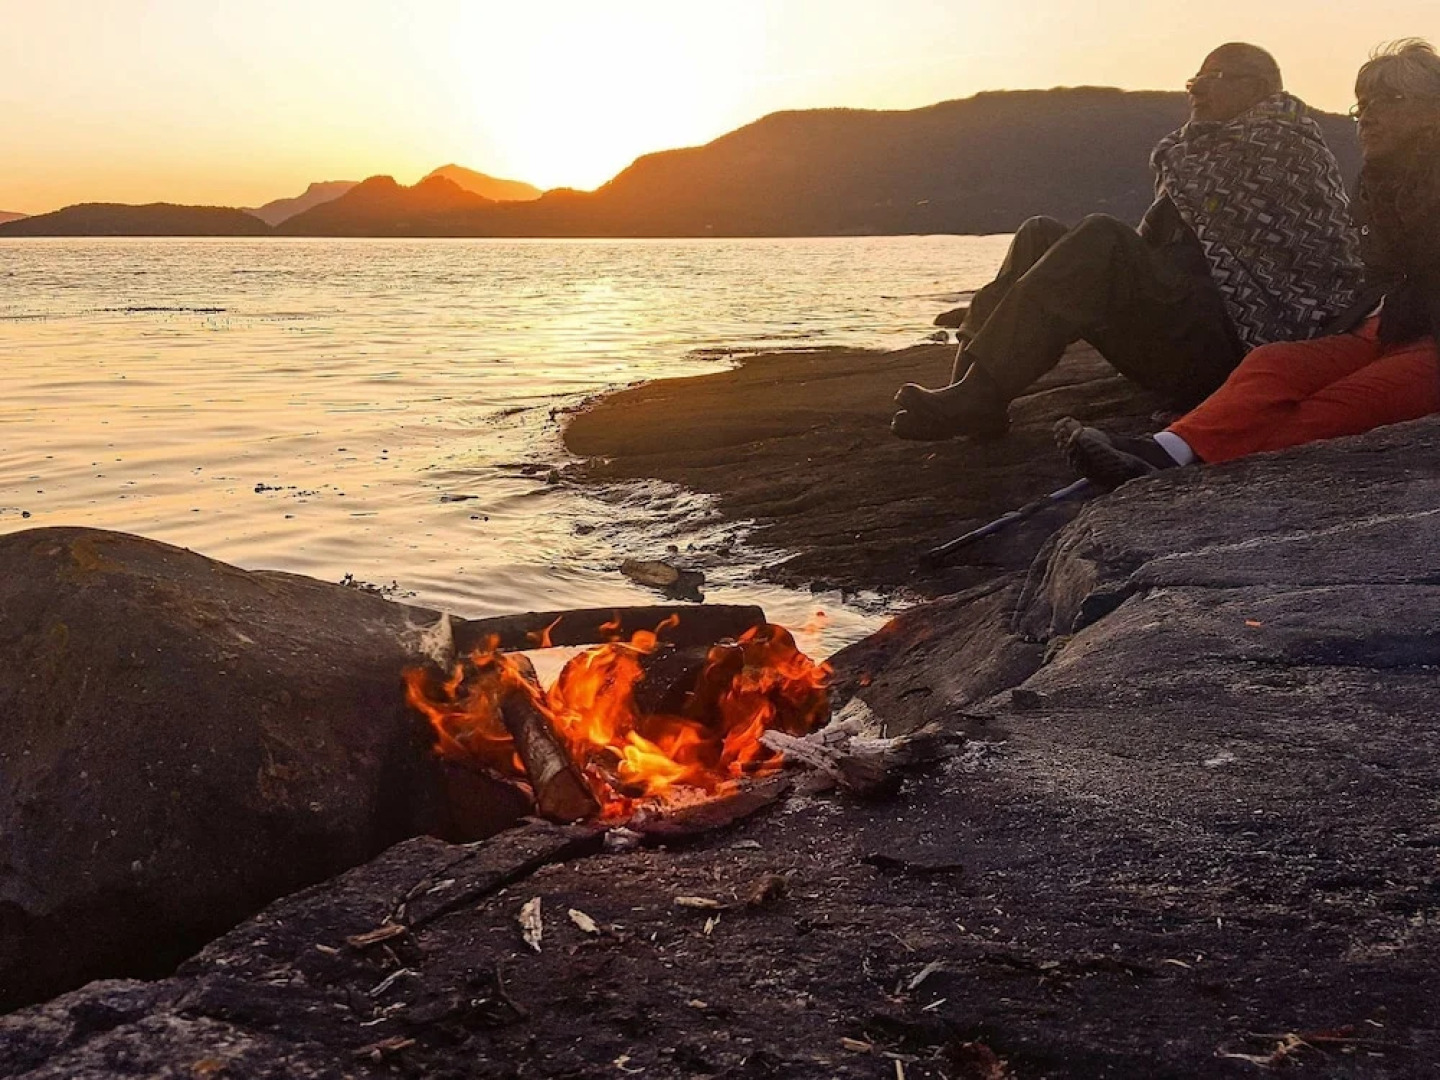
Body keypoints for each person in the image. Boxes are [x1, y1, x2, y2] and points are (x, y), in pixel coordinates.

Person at [893, 43, 1365, 441]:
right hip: (1181, 323)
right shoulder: (1196, 151)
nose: (1197, 89)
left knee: (1103, 237)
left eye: (1214, 76)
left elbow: (1313, 262)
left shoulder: (1287, 146)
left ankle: (978, 395)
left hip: (1230, 348)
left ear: (1257, 88)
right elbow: (1161, 249)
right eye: (1193, 80)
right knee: (1040, 232)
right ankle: (975, 392)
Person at [1058, 40, 1440, 489]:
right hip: (1390, 328)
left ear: (1432, 109)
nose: (1368, 116)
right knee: (1273, 363)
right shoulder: (1378, 180)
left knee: (1336, 405)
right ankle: (1162, 449)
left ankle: (1193, 461)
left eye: (1386, 101)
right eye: (1362, 105)